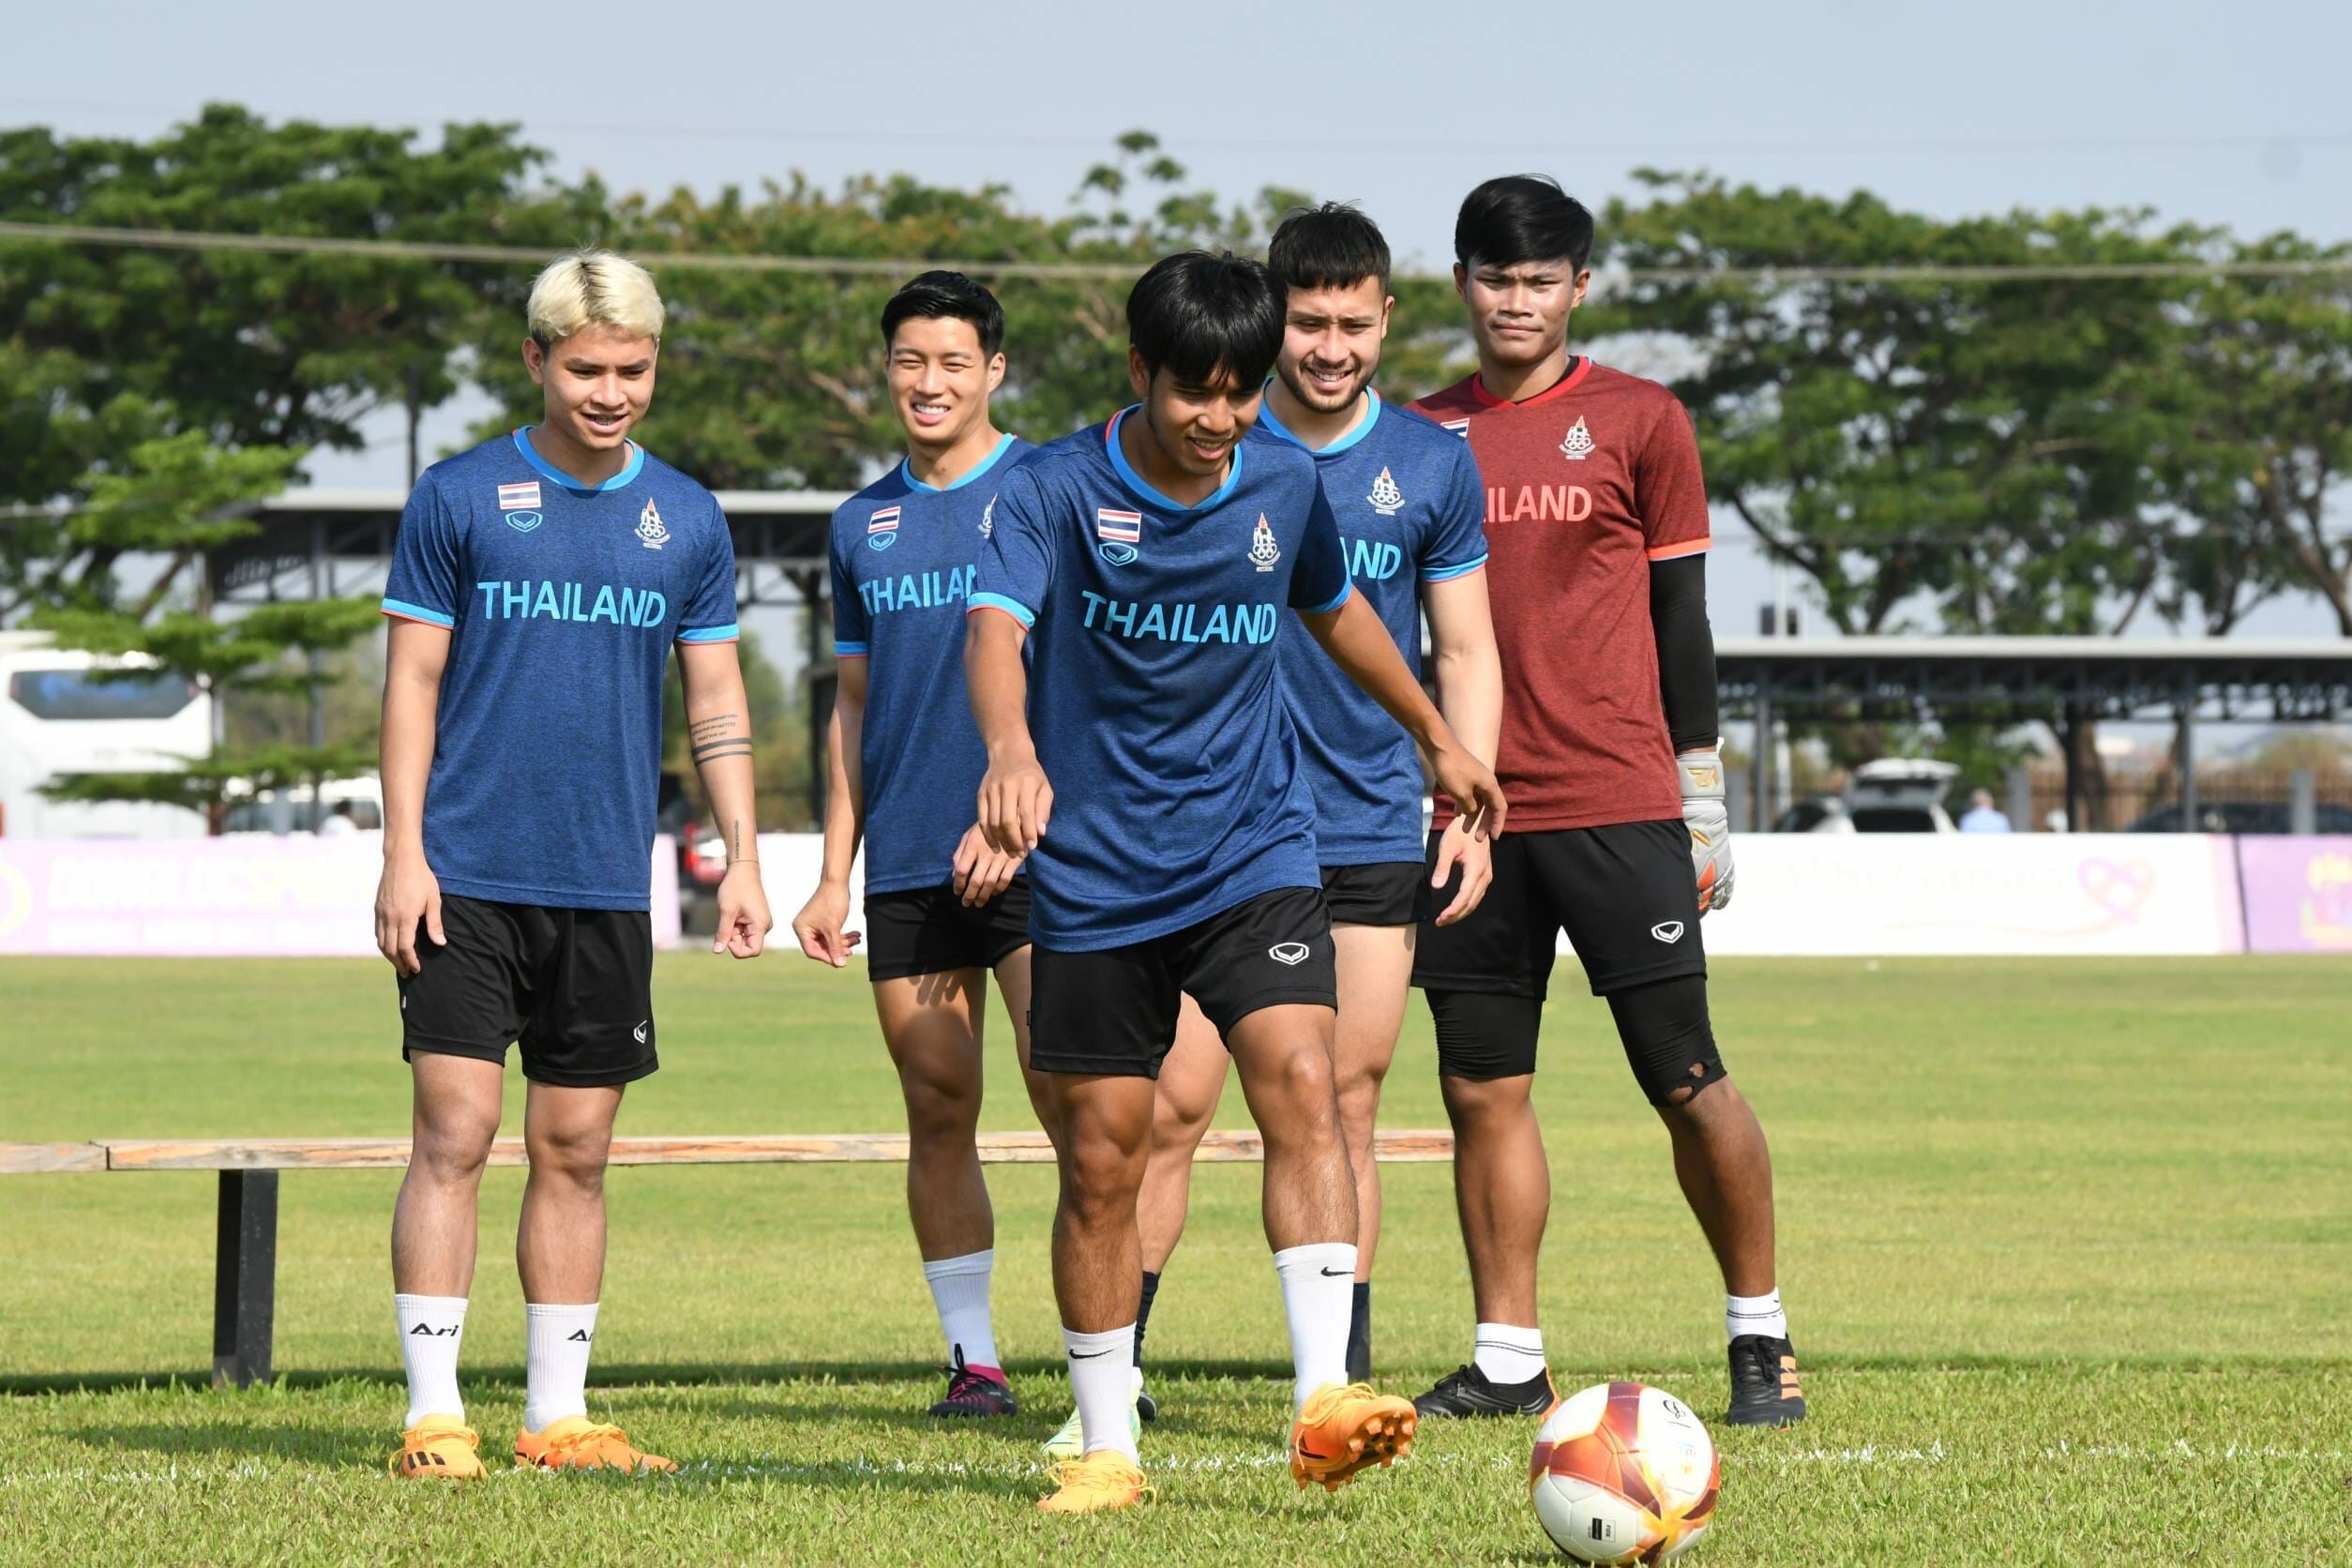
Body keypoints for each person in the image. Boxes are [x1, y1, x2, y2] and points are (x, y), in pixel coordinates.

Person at [966, 249, 1507, 1513]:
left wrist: (1433, 733)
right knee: (1105, 1156)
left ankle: (1323, 1400)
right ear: (1139, 370)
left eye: (1241, 391)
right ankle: (1106, 1445)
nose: (1220, 419)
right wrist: (1010, 749)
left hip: (1253, 847)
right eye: (1194, 390)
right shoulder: (1052, 489)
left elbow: (1337, 606)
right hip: (1098, 874)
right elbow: (994, 632)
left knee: (1306, 1081)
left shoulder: (1281, 477)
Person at [1406, 177, 1807, 1428]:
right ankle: (1508, 1357)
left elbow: (1683, 614)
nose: (1515, 301)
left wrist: (1702, 788)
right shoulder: (1415, 436)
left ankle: (1759, 1333)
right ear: (1461, 283)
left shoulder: (1643, 420)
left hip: (1620, 798)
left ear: (1580, 287)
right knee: (1482, 1087)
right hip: (1470, 816)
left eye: (1541, 280)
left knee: (1685, 1074)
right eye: (1494, 277)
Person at [374, 249, 772, 1482]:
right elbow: (412, 683)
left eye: (633, 370)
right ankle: (434, 1416)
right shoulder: (458, 496)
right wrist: (402, 854)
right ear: (537, 361)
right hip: (465, 875)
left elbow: (716, 698)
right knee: (455, 1130)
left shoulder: (688, 518)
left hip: (605, 883)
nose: (611, 392)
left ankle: (557, 1417)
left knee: (578, 1149)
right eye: (588, 369)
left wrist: (745, 855)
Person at [1115, 204, 1501, 1407]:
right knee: (1171, 1103)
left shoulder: (1432, 462)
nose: (1331, 348)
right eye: (1308, 323)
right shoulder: (1210, 439)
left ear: (1387, 319)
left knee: (1344, 1098)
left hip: (1369, 818)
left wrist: (1465, 802)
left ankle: (1337, 1380)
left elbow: (1465, 649)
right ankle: (1116, 1367)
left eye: (1353, 324)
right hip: (1212, 829)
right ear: (1270, 321)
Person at [791, 271, 1048, 1421]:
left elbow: (1091, 680)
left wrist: (1021, 817)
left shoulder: (1049, 489)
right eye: (909, 360)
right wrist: (831, 871)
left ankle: (1113, 1359)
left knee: (1081, 1103)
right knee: (938, 1103)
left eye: (953, 361)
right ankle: (973, 1362)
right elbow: (854, 707)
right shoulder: (861, 524)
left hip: (1043, 853)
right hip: (906, 860)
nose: (929, 382)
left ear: (994, 370)